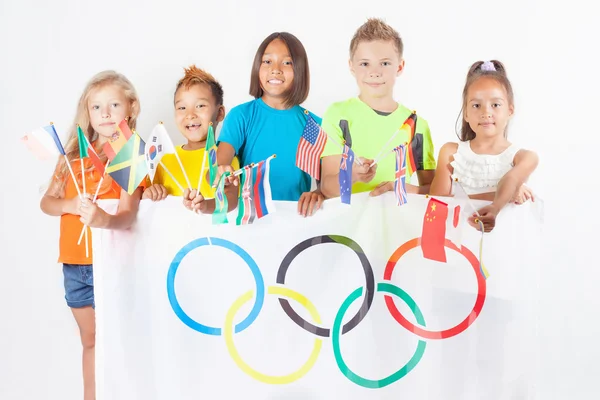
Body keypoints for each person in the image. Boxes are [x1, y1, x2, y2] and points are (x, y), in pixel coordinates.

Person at [40, 70, 144, 399]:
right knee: (91, 340)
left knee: (119, 338)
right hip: (74, 264)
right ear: (88, 112)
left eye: (114, 104)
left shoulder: (131, 156)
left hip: (112, 262)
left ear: (131, 108)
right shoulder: (71, 158)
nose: (106, 113)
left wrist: (103, 219)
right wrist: (71, 203)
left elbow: (128, 215)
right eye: (97, 107)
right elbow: (47, 203)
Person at [320, 18, 436, 199]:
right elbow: (327, 188)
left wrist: (399, 187)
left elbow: (434, 191)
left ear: (400, 66)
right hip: (347, 226)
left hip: (397, 225)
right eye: (365, 64)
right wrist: (353, 176)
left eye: (384, 63)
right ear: (352, 66)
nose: (374, 72)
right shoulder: (338, 115)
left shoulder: (416, 125)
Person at [214, 32, 324, 217]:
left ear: (300, 70)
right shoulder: (241, 116)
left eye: (287, 62)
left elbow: (326, 182)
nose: (276, 69)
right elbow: (220, 164)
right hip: (250, 221)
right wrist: (222, 172)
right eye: (267, 61)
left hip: (296, 222)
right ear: (257, 67)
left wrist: (319, 193)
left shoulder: (313, 125)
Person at [429, 60, 539, 232]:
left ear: (510, 110)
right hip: (460, 246)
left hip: (503, 245)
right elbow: (438, 202)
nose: (486, 112)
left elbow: (510, 180)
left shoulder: (524, 157)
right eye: (476, 105)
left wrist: (495, 207)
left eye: (495, 105)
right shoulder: (450, 153)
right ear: (465, 112)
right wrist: (504, 197)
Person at [142, 65, 239, 214]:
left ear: (219, 113)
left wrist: (205, 206)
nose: (190, 115)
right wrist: (149, 194)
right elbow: (145, 205)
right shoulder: (164, 160)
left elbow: (231, 201)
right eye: (182, 108)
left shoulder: (225, 157)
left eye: (200, 106)